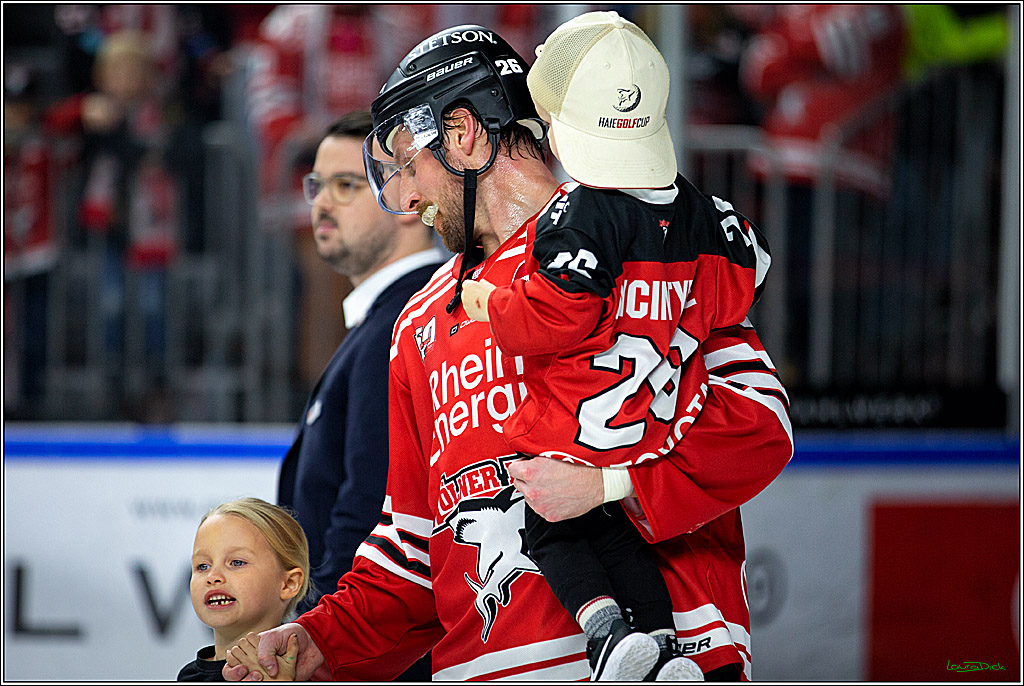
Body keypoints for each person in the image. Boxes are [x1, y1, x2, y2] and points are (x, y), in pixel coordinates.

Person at [224, 21, 792, 683]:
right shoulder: (419, 322)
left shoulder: (648, 245)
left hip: (680, 659)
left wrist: (614, 486)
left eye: (411, 165)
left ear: (463, 135)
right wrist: (318, 638)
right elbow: (413, 545)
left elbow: (759, 425)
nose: (405, 199)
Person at [458, 11, 770, 681]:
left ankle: (607, 631)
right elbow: (750, 274)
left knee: (554, 534)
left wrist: (493, 305)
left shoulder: (578, 213)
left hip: (575, 434)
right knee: (625, 541)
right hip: (650, 437)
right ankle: (659, 645)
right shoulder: (708, 217)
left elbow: (553, 315)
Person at [276, 109, 442, 680]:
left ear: (411, 198)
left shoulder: (403, 322)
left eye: (347, 186)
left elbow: (373, 509)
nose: (321, 203)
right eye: (317, 186)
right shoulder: (390, 320)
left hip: (370, 655)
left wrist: (318, 641)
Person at [178, 498, 308, 681]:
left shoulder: (312, 673)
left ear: (289, 583)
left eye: (237, 563)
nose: (213, 577)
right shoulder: (189, 676)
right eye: (203, 566)